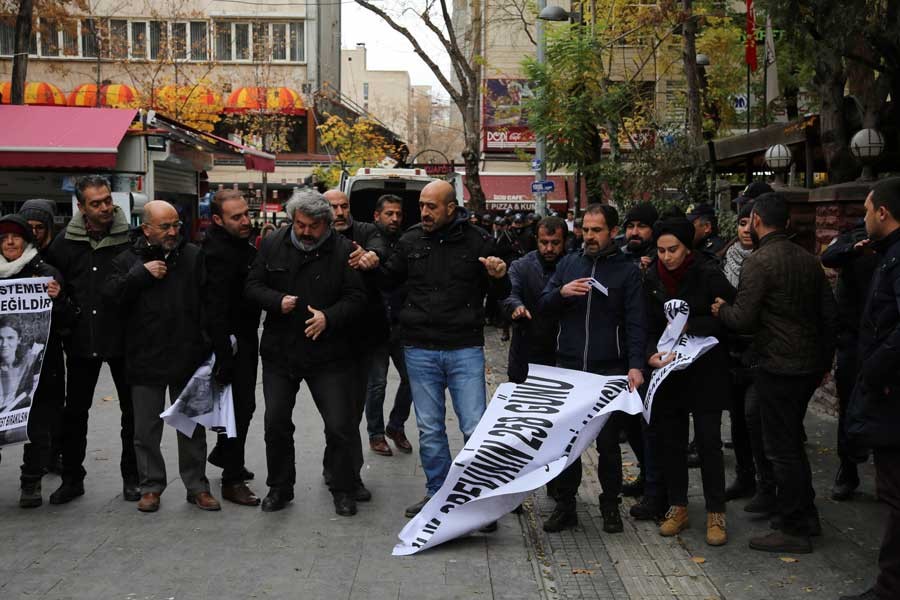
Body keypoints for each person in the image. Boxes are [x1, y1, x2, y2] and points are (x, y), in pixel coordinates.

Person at [713, 192, 836, 554]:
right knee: (791, 445)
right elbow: (830, 316)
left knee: (781, 449)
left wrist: (721, 308)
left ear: (755, 220)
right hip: (808, 365)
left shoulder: (759, 261)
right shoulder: (808, 259)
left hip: (778, 366)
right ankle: (805, 514)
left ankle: (795, 527)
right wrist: (824, 362)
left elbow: (742, 319)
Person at [379, 180, 510, 520]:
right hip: (420, 349)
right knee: (430, 429)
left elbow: (500, 295)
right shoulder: (410, 240)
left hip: (464, 348)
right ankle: (437, 493)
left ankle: (476, 499)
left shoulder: (479, 241)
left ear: (451, 208)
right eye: (421, 205)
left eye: (431, 206)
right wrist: (369, 264)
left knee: (473, 427)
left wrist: (499, 277)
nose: (423, 212)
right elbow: (386, 280)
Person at [245, 190, 367, 516]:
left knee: (340, 425)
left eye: (313, 226)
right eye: (300, 225)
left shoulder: (343, 250)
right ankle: (280, 487)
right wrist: (276, 301)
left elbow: (357, 299)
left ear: (326, 223)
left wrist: (329, 317)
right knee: (276, 423)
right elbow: (252, 285)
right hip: (280, 352)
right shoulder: (273, 243)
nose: (306, 232)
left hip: (328, 355)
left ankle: (342, 487)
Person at [102, 201, 219, 513]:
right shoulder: (127, 259)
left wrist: (207, 343)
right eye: (164, 226)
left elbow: (208, 302)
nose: (172, 232)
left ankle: (197, 487)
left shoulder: (193, 256)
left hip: (188, 357)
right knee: (145, 431)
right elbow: (110, 297)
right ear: (147, 228)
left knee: (191, 427)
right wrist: (140, 274)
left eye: (176, 225)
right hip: (144, 357)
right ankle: (151, 486)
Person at [537, 203, 646, 533]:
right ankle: (566, 504)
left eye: (597, 230)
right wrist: (562, 292)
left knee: (608, 444)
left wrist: (635, 366)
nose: (589, 236)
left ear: (613, 232)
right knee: (566, 443)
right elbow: (543, 304)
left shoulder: (627, 271)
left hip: (608, 370)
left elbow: (635, 322)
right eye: (585, 229)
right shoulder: (569, 263)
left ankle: (610, 505)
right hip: (569, 368)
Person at [46, 175, 139, 505]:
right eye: (95, 203)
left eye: (106, 200)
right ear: (81, 206)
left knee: (132, 412)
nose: (104, 208)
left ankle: (133, 478)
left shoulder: (131, 239)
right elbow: (53, 287)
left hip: (124, 340)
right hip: (81, 341)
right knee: (76, 412)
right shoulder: (63, 245)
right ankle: (72, 478)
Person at [644, 217, 734, 546]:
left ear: (687, 247)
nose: (667, 256)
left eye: (674, 249)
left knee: (709, 442)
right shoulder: (651, 276)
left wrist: (691, 326)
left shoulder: (708, 274)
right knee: (673, 440)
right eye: (662, 250)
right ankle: (678, 506)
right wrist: (651, 353)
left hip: (706, 371)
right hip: (669, 372)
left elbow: (728, 317)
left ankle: (716, 512)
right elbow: (647, 324)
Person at [841, 178, 900, 600]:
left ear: (883, 212)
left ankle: (890, 586)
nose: (862, 218)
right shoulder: (885, 254)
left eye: (866, 210)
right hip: (885, 391)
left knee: (895, 494)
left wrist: (874, 371)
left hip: (891, 396)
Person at [323, 188, 386, 499]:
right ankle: (344, 474)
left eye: (343, 206)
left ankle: (342, 470)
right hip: (328, 339)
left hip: (362, 338)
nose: (339, 212)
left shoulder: (366, 232)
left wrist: (372, 256)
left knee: (351, 412)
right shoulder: (317, 239)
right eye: (332, 207)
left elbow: (379, 246)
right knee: (339, 414)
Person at [201, 190, 262, 506]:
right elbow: (216, 308)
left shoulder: (239, 245)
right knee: (238, 409)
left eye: (245, 214)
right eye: (236, 217)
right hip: (230, 344)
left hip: (244, 338)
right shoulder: (217, 253)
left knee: (240, 408)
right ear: (217, 219)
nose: (244, 221)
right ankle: (231, 479)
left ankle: (227, 456)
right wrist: (224, 355)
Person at [0, 215, 65, 508]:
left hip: (37, 370)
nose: (10, 242)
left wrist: (59, 298)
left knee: (37, 428)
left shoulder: (46, 273)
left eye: (15, 236)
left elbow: (68, 320)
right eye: (3, 238)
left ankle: (31, 481)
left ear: (26, 240)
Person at [721, 200, 773, 505]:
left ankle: (768, 484)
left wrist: (725, 310)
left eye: (749, 222)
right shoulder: (727, 258)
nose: (745, 229)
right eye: (740, 223)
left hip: (762, 351)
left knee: (759, 421)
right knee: (738, 419)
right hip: (733, 350)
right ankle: (745, 476)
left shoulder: (768, 260)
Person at [821, 219, 878, 501]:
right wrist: (856, 248)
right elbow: (828, 257)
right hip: (853, 340)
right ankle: (848, 469)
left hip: (882, 338)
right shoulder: (853, 237)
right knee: (849, 406)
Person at [364, 194, 414, 456]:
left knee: (412, 379)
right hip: (375, 326)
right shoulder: (370, 240)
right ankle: (376, 433)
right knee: (377, 384)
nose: (395, 218)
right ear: (377, 216)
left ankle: (396, 425)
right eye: (389, 214)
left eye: (398, 214)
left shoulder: (407, 241)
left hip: (402, 325)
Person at [18, 199, 64, 474]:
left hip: (49, 348)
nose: (34, 233)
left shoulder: (56, 259)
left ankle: (47, 458)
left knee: (51, 408)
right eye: (29, 227)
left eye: (39, 227)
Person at [502, 216, 567, 385]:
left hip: (564, 353)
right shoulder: (521, 266)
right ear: (536, 240)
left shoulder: (573, 264)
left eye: (555, 243)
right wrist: (517, 307)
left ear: (565, 241)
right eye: (544, 242)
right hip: (526, 351)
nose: (549, 248)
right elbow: (509, 292)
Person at [621, 203, 659, 272]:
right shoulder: (616, 257)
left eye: (642, 226)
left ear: (653, 230)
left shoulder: (662, 259)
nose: (634, 233)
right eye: (630, 226)